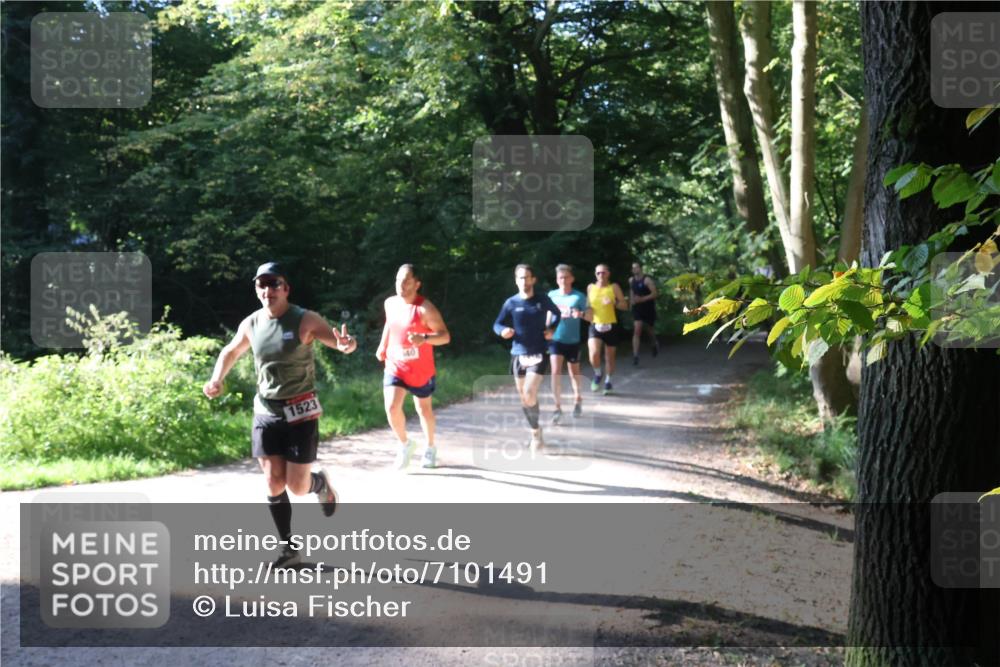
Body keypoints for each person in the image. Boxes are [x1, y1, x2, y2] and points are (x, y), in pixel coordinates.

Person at [203, 262, 356, 568]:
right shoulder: (252, 323)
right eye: (262, 284)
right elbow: (230, 352)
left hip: (300, 410)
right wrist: (216, 378)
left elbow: (340, 344)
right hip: (267, 410)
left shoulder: (304, 319)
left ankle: (320, 485)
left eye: (274, 284)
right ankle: (289, 549)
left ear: (286, 289)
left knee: (297, 486)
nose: (267, 290)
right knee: (273, 482)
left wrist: (347, 344)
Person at [376, 264, 451, 470]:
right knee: (391, 407)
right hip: (395, 365)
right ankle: (404, 444)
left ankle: (430, 447)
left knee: (423, 409)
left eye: (407, 280)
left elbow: (445, 336)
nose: (402, 284)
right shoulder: (390, 303)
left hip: (420, 370)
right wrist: (383, 345)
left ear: (417, 284)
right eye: (399, 280)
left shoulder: (425, 308)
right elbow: (389, 324)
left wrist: (424, 338)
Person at [493, 264, 562, 451]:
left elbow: (557, 314)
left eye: (527, 277)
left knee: (530, 393)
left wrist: (552, 329)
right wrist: (503, 331)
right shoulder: (511, 303)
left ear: (533, 279)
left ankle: (536, 435)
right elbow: (497, 323)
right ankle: (535, 432)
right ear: (516, 280)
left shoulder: (542, 300)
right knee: (525, 398)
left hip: (539, 352)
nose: (524, 281)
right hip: (518, 354)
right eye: (520, 278)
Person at [546, 264, 591, 423]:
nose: (563, 280)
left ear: (571, 278)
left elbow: (590, 317)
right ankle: (557, 407)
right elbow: (547, 314)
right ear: (557, 280)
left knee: (574, 372)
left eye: (566, 277)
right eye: (560, 278)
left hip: (573, 340)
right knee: (555, 371)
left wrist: (581, 314)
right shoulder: (551, 295)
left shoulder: (578, 297)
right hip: (555, 339)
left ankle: (578, 399)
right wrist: (546, 330)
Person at [586, 263, 628, 395]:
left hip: (611, 325)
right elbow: (588, 306)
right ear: (595, 274)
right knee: (593, 354)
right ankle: (598, 374)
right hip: (595, 325)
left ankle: (608, 382)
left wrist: (613, 302)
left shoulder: (614, 287)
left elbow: (625, 306)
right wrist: (586, 313)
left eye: (603, 272)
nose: (601, 275)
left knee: (609, 357)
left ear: (608, 274)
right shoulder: (590, 288)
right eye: (598, 273)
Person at [629, 261, 660, 365]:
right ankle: (635, 355)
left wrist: (642, 299)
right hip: (637, 309)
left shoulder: (647, 280)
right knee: (637, 329)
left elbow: (655, 293)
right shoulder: (631, 280)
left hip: (648, 308)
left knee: (650, 329)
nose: (635, 269)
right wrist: (631, 301)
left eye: (636, 267)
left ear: (640, 268)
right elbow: (632, 292)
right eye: (633, 268)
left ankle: (654, 343)